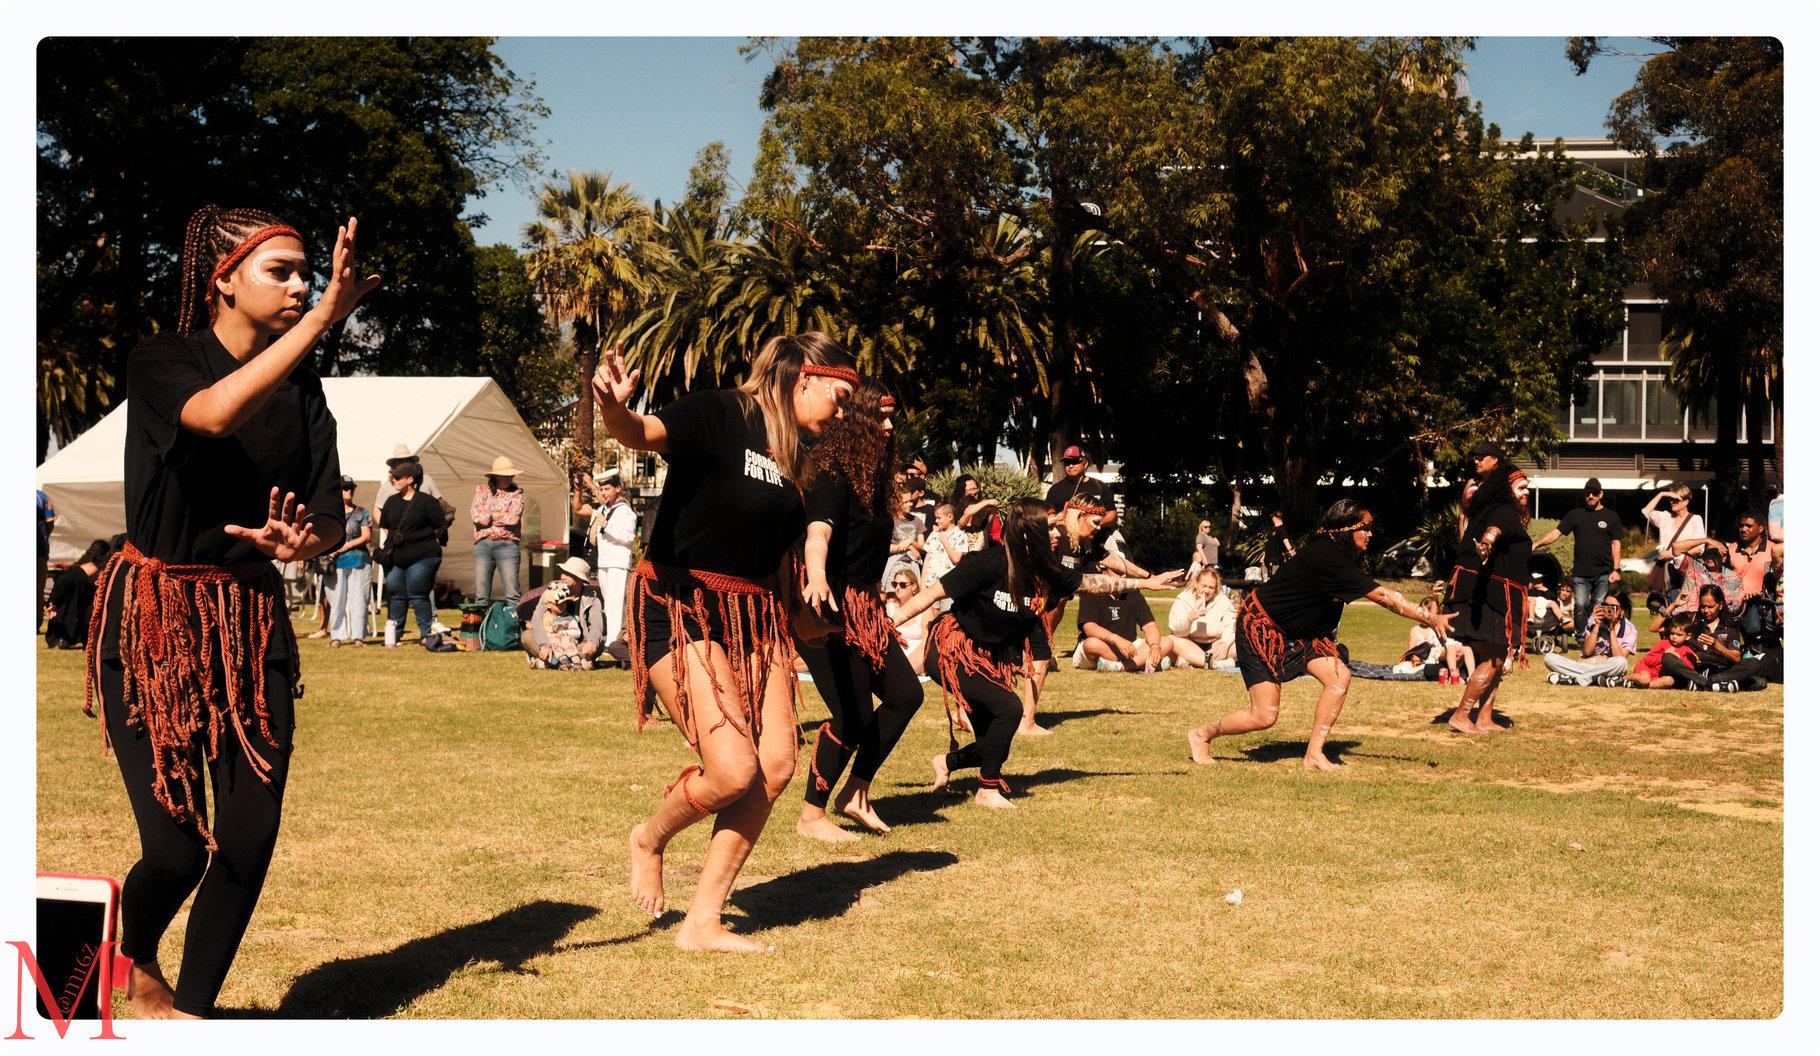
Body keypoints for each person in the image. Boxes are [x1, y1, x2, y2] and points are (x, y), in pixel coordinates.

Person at [84, 206, 374, 1019]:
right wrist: (322, 319)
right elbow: (213, 415)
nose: (301, 285)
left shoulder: (305, 391)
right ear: (223, 280)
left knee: (246, 840)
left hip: (251, 627)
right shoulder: (162, 358)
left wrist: (302, 544)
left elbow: (327, 520)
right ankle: (132, 953)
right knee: (176, 850)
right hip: (152, 622)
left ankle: (192, 1016)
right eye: (279, 271)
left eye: (305, 274)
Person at [593, 332, 853, 952]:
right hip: (680, 605)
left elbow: (788, 550)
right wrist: (612, 410)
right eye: (840, 398)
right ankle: (650, 837)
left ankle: (702, 921)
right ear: (805, 377)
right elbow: (640, 434)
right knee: (733, 769)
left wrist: (805, 615)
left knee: (777, 766)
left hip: (756, 616)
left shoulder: (808, 461)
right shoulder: (720, 412)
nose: (843, 414)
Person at [890, 498, 1182, 807]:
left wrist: (1149, 583)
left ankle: (946, 763)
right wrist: (887, 624)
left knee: (994, 744)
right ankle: (987, 790)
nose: (1056, 534)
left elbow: (1095, 582)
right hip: (954, 650)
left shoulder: (1048, 574)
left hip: (988, 657)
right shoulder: (988, 563)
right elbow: (930, 596)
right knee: (1010, 709)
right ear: (1029, 534)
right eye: (1049, 528)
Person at [1186, 499, 1451, 770]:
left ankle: (1313, 754)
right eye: (1366, 528)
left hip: (1302, 633)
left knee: (1339, 676)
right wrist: (1429, 617)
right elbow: (1386, 598)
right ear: (1346, 530)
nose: (1370, 534)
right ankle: (1201, 734)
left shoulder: (1337, 554)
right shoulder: (1328, 557)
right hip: (1260, 625)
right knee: (1264, 716)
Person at [793, 379, 928, 842]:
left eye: (893, 417)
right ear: (855, 420)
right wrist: (815, 574)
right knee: (851, 716)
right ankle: (812, 814)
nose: (890, 426)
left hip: (866, 609)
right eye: (881, 417)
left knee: (907, 695)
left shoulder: (871, 478)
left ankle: (856, 791)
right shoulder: (830, 472)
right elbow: (819, 534)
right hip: (827, 609)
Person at [1441, 450, 1532, 735]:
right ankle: (1461, 714)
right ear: (1506, 490)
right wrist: (1487, 543)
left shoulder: (1502, 512)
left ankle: (1484, 718)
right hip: (1492, 595)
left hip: (1486, 592)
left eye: (1527, 485)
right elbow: (1494, 531)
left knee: (1491, 658)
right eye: (1521, 486)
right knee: (1494, 658)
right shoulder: (1504, 512)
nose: (1526, 490)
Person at [1531, 478, 1623, 625]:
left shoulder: (1612, 517)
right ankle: (1581, 637)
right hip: (1581, 573)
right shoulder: (1575, 514)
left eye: (1594, 493)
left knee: (1598, 605)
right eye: (1587, 493)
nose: (1590, 496)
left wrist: (1616, 569)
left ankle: (1593, 634)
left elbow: (1616, 543)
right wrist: (1537, 543)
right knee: (1580, 605)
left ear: (1601, 494)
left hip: (1603, 572)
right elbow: (1557, 533)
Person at [378, 460, 448, 644]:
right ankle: (395, 634)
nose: (394, 480)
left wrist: (424, 539)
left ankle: (425, 634)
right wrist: (395, 538)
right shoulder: (391, 502)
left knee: (418, 593)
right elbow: (385, 524)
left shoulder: (426, 501)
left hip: (423, 556)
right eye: (393, 477)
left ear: (410, 479)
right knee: (396, 593)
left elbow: (440, 525)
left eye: (398, 478)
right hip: (396, 557)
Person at [573, 470, 637, 664]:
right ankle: (611, 643)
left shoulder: (625, 510)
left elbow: (628, 537)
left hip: (618, 562)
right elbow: (580, 508)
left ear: (617, 489)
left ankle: (614, 645)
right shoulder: (604, 509)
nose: (604, 492)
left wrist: (607, 525)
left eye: (608, 488)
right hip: (604, 562)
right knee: (609, 603)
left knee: (616, 604)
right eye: (602, 489)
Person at [520, 557, 605, 670]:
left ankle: (550, 662)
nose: (562, 576)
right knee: (526, 636)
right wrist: (544, 645)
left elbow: (597, 624)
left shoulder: (592, 599)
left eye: (568, 573)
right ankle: (576, 663)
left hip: (576, 644)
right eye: (563, 572)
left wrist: (592, 642)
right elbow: (536, 618)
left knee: (599, 641)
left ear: (579, 578)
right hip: (551, 642)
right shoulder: (551, 592)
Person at [1670, 509, 1774, 600]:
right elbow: (1676, 547)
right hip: (1728, 602)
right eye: (1741, 526)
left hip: (1759, 602)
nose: (1744, 529)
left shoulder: (1773, 550)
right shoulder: (1730, 549)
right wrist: (1707, 540)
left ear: (1760, 528)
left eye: (1748, 526)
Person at [1655, 586, 1745, 689]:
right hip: (1693, 669)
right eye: (1703, 606)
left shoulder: (1729, 625)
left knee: (1753, 663)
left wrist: (1717, 646)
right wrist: (1674, 605)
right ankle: (1712, 684)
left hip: (1721, 670)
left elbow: (1736, 657)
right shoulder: (1691, 619)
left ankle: (1705, 683)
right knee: (1668, 658)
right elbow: (1654, 627)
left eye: (1711, 607)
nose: (1706, 610)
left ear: (1720, 605)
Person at [1074, 585, 1180, 672]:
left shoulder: (1133, 593)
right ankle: (1145, 663)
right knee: (1092, 644)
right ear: (1105, 573)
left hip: (1131, 648)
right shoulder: (1091, 592)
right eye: (1118, 573)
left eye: (1124, 573)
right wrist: (1116, 639)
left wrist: (1155, 647)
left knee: (1167, 642)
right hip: (1103, 647)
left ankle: (1120, 667)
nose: (1122, 577)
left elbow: (1149, 625)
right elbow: (1090, 628)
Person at [1543, 592, 1638, 686]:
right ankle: (1594, 678)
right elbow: (1587, 652)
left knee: (1622, 663)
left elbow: (1619, 657)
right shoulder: (1594, 620)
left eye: (1613, 607)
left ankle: (1575, 678)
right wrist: (1597, 625)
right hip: (1587, 663)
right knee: (1549, 658)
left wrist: (1612, 629)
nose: (1608, 609)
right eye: (1605, 605)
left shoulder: (1630, 629)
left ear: (1622, 611)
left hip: (1608, 666)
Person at [471, 455, 524, 610]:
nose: (507, 479)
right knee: (481, 594)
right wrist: (499, 515)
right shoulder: (482, 491)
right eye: (503, 476)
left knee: (512, 593)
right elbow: (476, 516)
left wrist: (488, 515)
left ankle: (514, 630)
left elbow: (513, 519)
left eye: (510, 476)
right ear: (495, 476)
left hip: (507, 545)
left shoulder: (517, 493)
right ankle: (479, 629)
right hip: (483, 544)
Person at [326, 476, 373, 647]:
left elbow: (367, 536)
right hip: (334, 564)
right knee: (336, 601)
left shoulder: (361, 512)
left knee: (359, 599)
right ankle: (336, 636)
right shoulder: (329, 513)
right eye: (345, 488)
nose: (349, 491)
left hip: (358, 560)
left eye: (351, 487)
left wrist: (344, 547)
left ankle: (358, 637)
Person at [44, 539, 111, 649]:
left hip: (80, 612)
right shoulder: (78, 571)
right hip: (70, 613)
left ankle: (72, 639)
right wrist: (53, 603)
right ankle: (66, 639)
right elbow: (61, 586)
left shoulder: (90, 569)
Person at [1167, 567, 1238, 668]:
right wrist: (1189, 618)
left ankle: (1194, 661)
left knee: (1240, 644)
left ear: (1216, 588)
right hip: (1189, 643)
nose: (1207, 591)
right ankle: (1215, 663)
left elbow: (1232, 623)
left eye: (1211, 587)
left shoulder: (1222, 600)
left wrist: (1225, 644)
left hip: (1214, 643)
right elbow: (1175, 630)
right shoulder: (1183, 599)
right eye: (1204, 586)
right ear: (1196, 584)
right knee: (1171, 640)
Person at [1043, 444, 1116, 531]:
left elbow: (1112, 514)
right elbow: (1047, 517)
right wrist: (1058, 519)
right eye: (1067, 462)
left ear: (1085, 464)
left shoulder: (1100, 486)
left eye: (1074, 462)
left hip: (1098, 542)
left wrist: (1093, 525)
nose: (1070, 466)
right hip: (1066, 542)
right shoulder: (1055, 490)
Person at [1621, 614, 1700, 689]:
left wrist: (1678, 658)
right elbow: (1647, 660)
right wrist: (1664, 656)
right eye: (1672, 633)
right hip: (1647, 669)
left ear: (1688, 636)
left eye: (1679, 635)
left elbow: (1689, 668)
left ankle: (1639, 685)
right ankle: (1622, 679)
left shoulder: (1687, 650)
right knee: (1645, 679)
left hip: (1659, 677)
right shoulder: (1663, 643)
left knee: (1669, 681)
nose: (1674, 637)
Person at [918, 502, 969, 603]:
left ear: (950, 517)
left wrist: (944, 540)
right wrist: (922, 584)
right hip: (930, 585)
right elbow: (927, 559)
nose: (936, 521)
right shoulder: (934, 534)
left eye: (939, 518)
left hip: (948, 588)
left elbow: (956, 559)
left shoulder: (960, 536)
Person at [886, 570, 933, 674]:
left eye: (902, 584)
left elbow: (927, 643)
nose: (897, 588)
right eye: (895, 584)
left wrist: (910, 662)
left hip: (919, 655)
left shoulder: (925, 609)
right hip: (896, 656)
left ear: (914, 587)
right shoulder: (890, 608)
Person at [880, 486, 925, 591]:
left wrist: (911, 542)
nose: (910, 504)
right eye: (906, 502)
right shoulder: (890, 520)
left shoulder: (916, 520)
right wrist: (909, 548)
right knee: (893, 596)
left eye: (911, 501)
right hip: (894, 563)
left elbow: (923, 546)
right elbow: (884, 547)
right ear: (897, 503)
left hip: (912, 564)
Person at [952, 474, 1002, 551]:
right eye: (970, 490)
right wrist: (986, 502)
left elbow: (994, 506)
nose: (974, 492)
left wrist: (986, 506)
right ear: (962, 492)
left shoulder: (983, 525)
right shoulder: (958, 516)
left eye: (975, 488)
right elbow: (969, 512)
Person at [37, 488, 57, 629]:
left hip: (39, 552)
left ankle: (36, 623)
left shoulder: (41, 496)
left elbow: (50, 523)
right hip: (40, 550)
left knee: (38, 588)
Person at [1263, 511, 1294, 579]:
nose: (1272, 519)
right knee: (1264, 584)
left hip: (1274, 563)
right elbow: (1269, 544)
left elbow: (1286, 542)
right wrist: (1263, 557)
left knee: (1271, 582)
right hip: (1266, 562)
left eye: (1272, 517)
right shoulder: (1273, 529)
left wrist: (1295, 556)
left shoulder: (1282, 529)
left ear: (1274, 518)